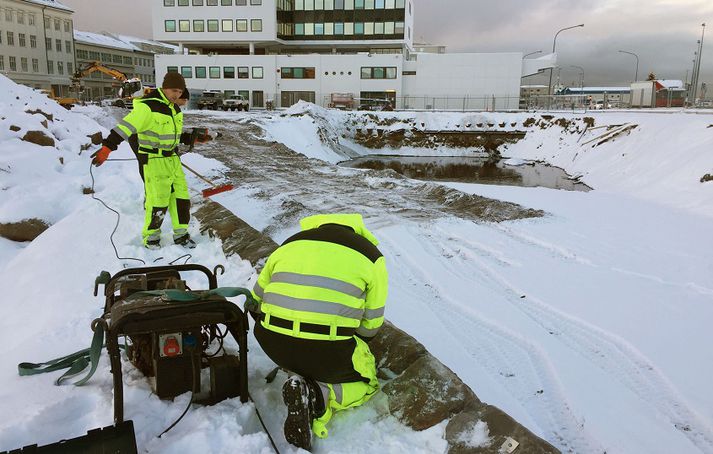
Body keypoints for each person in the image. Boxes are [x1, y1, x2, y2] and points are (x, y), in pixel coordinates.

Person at [248, 213, 388, 451]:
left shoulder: (289, 244)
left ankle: (298, 372)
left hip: (272, 343)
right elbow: (370, 327)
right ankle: (318, 395)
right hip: (327, 351)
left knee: (303, 353)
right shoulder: (372, 257)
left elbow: (254, 299)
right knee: (368, 382)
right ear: (357, 230)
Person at [91, 73, 204, 249]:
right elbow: (124, 128)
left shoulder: (175, 109)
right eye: (174, 90)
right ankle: (151, 238)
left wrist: (190, 139)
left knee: (181, 198)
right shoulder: (147, 107)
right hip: (154, 160)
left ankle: (181, 234)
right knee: (157, 200)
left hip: (172, 159)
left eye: (180, 91)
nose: (177, 95)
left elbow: (171, 135)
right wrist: (107, 148)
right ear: (164, 87)